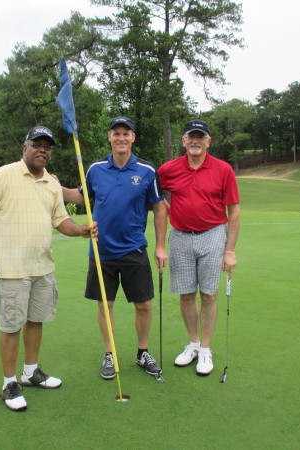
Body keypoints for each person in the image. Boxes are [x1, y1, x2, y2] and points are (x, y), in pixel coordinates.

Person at [0, 125, 97, 412]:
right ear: (25, 148)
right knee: (11, 326)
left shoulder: (52, 185)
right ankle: (9, 383)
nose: (42, 149)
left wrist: (80, 230)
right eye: (36, 144)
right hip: (12, 268)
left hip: (42, 267)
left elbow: (60, 220)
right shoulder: (3, 176)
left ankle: (31, 372)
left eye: (47, 146)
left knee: (36, 320)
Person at [62, 116, 168, 380]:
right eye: (116, 133)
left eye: (126, 133)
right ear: (109, 137)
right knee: (105, 305)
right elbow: (81, 195)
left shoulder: (147, 171)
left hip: (134, 249)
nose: (121, 137)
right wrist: (57, 188)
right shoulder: (96, 169)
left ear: (133, 138)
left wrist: (161, 246)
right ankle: (109, 354)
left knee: (143, 304)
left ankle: (143, 352)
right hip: (101, 250)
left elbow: (159, 207)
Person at [157, 119, 240, 376]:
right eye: (190, 136)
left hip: (213, 235)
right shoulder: (168, 170)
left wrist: (230, 250)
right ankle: (193, 344)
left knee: (208, 295)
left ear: (208, 141)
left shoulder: (223, 169)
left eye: (200, 137)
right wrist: (161, 240)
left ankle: (205, 349)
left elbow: (234, 211)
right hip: (180, 236)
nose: (195, 141)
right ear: (183, 141)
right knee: (185, 295)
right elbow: (154, 200)